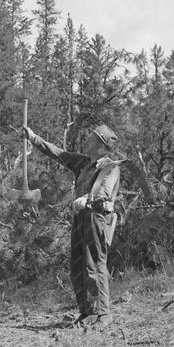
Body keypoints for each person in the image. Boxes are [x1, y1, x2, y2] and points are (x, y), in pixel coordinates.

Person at [22, 124, 120, 329]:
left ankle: (103, 313)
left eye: (93, 139)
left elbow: (103, 191)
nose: (88, 141)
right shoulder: (83, 163)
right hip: (80, 218)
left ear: (102, 146)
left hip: (97, 218)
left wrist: (87, 197)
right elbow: (59, 153)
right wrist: (33, 138)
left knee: (95, 264)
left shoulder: (110, 166)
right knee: (78, 265)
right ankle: (87, 313)